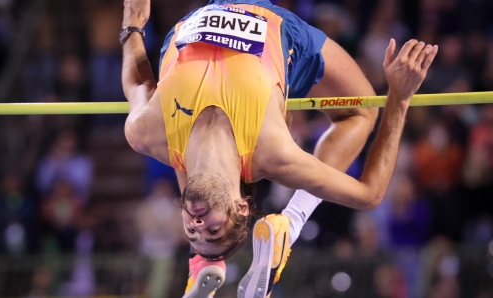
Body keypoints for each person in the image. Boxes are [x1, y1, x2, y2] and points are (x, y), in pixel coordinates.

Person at [120, 0, 438, 297]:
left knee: (187, 152)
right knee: (362, 112)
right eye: (213, 231)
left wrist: (131, 27)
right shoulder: (273, 152)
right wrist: (400, 96)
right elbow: (370, 194)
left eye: (192, 234)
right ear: (241, 207)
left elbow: (138, 84)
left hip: (195, 24)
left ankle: (201, 262)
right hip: (275, 29)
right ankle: (290, 224)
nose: (197, 225)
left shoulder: (145, 133)